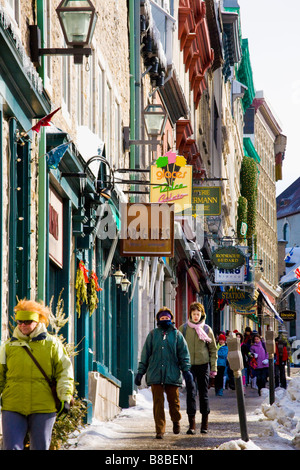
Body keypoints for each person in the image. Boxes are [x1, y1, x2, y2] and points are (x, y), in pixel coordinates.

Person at [0, 299, 74, 450]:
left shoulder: (52, 344)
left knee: (40, 447)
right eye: (20, 321)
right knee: (11, 447)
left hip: (43, 407)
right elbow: (0, 375)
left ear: (37, 321)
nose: (22, 325)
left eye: (27, 321)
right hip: (13, 405)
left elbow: (64, 372)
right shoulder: (8, 347)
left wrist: (65, 396)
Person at [135, 307, 193, 439]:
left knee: (174, 402)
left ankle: (176, 419)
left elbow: (184, 354)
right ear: (158, 320)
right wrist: (140, 372)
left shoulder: (177, 335)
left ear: (171, 319)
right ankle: (159, 430)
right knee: (158, 403)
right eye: (162, 318)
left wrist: (186, 371)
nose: (165, 320)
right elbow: (145, 355)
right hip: (155, 374)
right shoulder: (153, 335)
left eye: (167, 318)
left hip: (172, 374)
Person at [179, 302, 217, 434]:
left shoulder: (207, 329)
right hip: (188, 366)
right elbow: (178, 349)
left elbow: (213, 350)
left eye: (198, 314)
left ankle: (205, 424)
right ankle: (192, 425)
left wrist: (213, 368)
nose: (196, 316)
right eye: (193, 314)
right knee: (190, 393)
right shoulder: (183, 329)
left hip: (203, 365)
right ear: (190, 314)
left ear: (201, 314)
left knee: (203, 393)